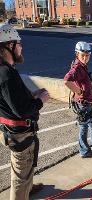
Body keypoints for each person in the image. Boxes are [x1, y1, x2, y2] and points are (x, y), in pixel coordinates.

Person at [0, 24, 50, 200]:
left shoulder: (7, 70)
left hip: (15, 132)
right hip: (19, 135)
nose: (22, 46)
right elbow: (22, 110)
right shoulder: (5, 74)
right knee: (20, 174)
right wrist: (40, 100)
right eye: (19, 43)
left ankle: (28, 187)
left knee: (25, 168)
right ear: (9, 45)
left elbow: (13, 100)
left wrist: (33, 95)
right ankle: (23, 191)